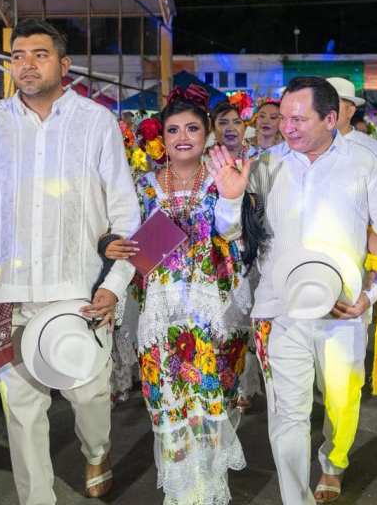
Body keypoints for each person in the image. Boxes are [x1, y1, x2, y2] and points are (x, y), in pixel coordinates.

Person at [0, 19, 141, 504]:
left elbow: (124, 209)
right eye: (17, 56)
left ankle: (97, 450)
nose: (26, 64)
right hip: (8, 288)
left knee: (89, 396)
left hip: (77, 289)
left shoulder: (95, 121)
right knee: (22, 411)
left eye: (39, 54)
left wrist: (115, 283)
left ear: (64, 65)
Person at [211, 76, 377, 505]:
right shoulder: (263, 166)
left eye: (299, 119)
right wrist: (229, 199)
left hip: (343, 313)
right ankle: (294, 498)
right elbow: (231, 234)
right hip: (280, 313)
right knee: (288, 416)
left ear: (331, 118)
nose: (288, 127)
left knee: (341, 403)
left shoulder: (364, 163)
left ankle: (334, 461)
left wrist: (367, 298)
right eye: (283, 118)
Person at [104, 86, 253, 504]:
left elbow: (230, 232)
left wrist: (231, 195)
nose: (183, 136)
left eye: (192, 127)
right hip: (161, 314)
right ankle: (182, 493)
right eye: (173, 130)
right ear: (162, 138)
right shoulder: (143, 186)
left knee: (209, 406)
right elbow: (131, 248)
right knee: (169, 409)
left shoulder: (224, 177)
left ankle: (209, 491)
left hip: (216, 314)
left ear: (207, 134)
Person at [328, 76, 377, 179]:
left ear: (350, 111)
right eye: (322, 104)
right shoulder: (309, 145)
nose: (326, 110)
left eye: (334, 104)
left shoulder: (372, 148)